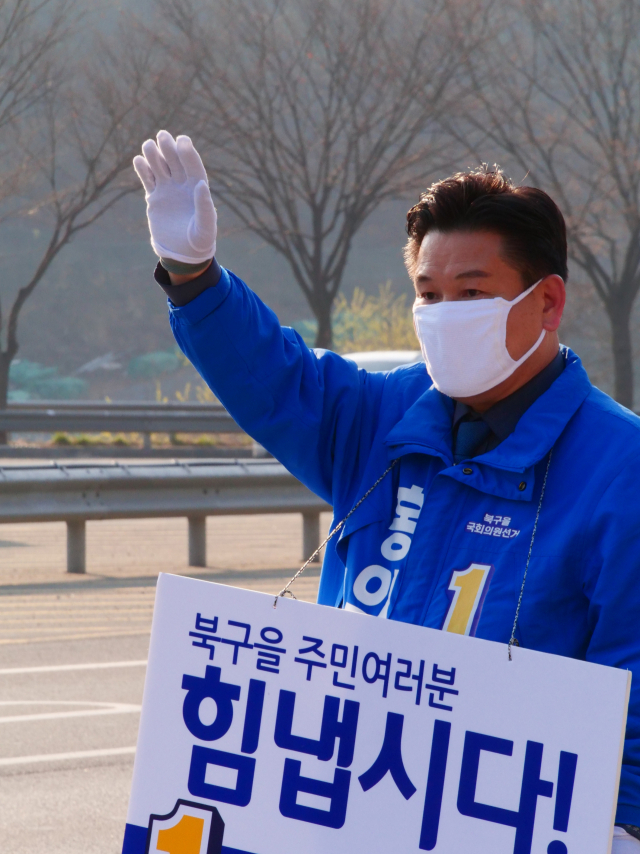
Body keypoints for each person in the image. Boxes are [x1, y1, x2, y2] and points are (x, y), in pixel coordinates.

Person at [133, 130, 640, 851]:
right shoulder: (384, 417)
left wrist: (621, 821)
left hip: (503, 821)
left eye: (472, 293)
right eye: (428, 295)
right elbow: (276, 379)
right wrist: (195, 278)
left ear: (548, 302)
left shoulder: (621, 467)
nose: (444, 314)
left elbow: (635, 671)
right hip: (356, 801)